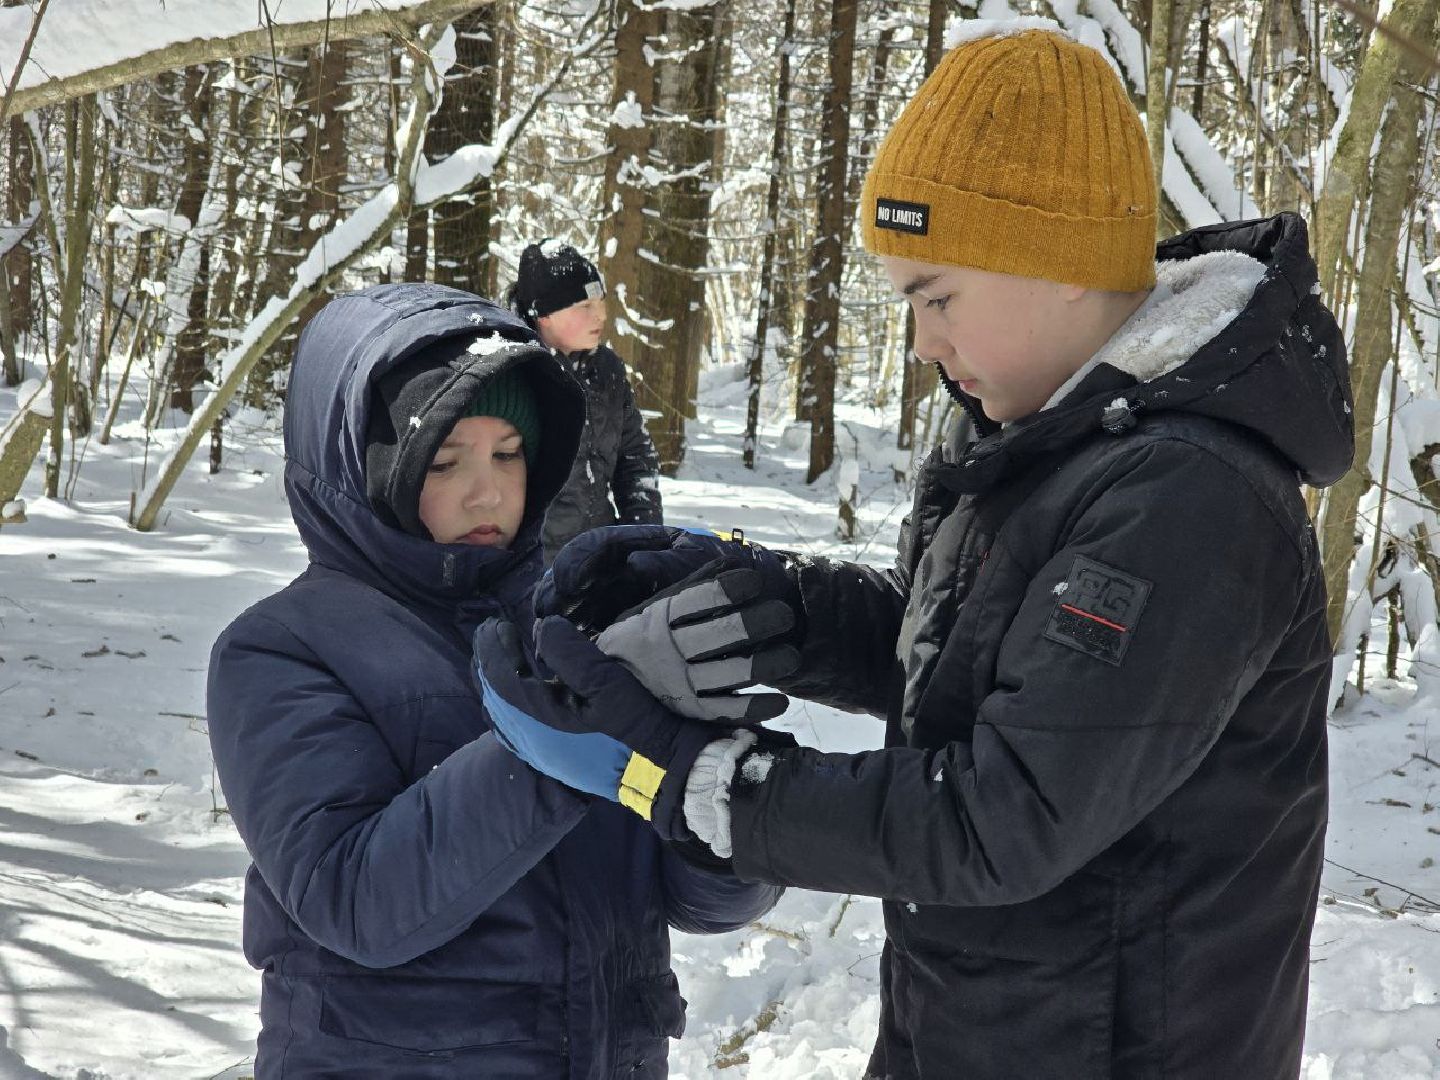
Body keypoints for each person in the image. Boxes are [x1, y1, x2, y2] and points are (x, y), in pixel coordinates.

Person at [472, 26, 1354, 1080]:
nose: (925, 343)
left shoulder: (1192, 494)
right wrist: (769, 609)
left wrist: (691, 776)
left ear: (1061, 266)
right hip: (974, 1029)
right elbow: (975, 653)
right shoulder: (1044, 431)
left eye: (938, 297)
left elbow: (1003, 815)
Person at [206, 282, 780, 1079]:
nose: (489, 490)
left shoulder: (580, 629)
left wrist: (726, 783)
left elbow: (700, 904)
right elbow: (354, 900)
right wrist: (548, 752)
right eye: (445, 461)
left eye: (510, 453)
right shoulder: (283, 650)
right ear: (364, 470)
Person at [507, 240, 663, 561]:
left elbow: (635, 458)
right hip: (532, 573)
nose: (601, 315)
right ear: (544, 314)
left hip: (599, 559)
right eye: (585, 307)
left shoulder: (607, 370)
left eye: (601, 302)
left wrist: (641, 536)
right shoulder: (513, 374)